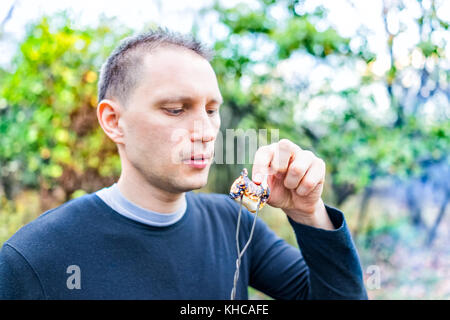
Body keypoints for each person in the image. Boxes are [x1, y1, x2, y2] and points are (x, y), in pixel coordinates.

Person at [0, 29, 368, 300]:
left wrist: (308, 212)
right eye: (176, 109)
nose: (206, 131)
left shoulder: (233, 223)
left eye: (211, 110)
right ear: (113, 121)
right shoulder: (33, 259)